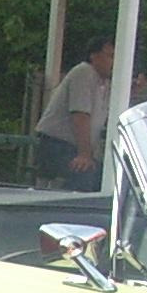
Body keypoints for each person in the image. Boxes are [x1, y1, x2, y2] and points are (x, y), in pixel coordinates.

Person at [34, 36, 115, 191]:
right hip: (55, 145)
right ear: (94, 55)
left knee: (106, 175)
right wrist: (85, 154)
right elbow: (80, 116)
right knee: (86, 175)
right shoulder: (84, 73)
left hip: (73, 147)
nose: (114, 62)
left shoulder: (105, 84)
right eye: (110, 56)